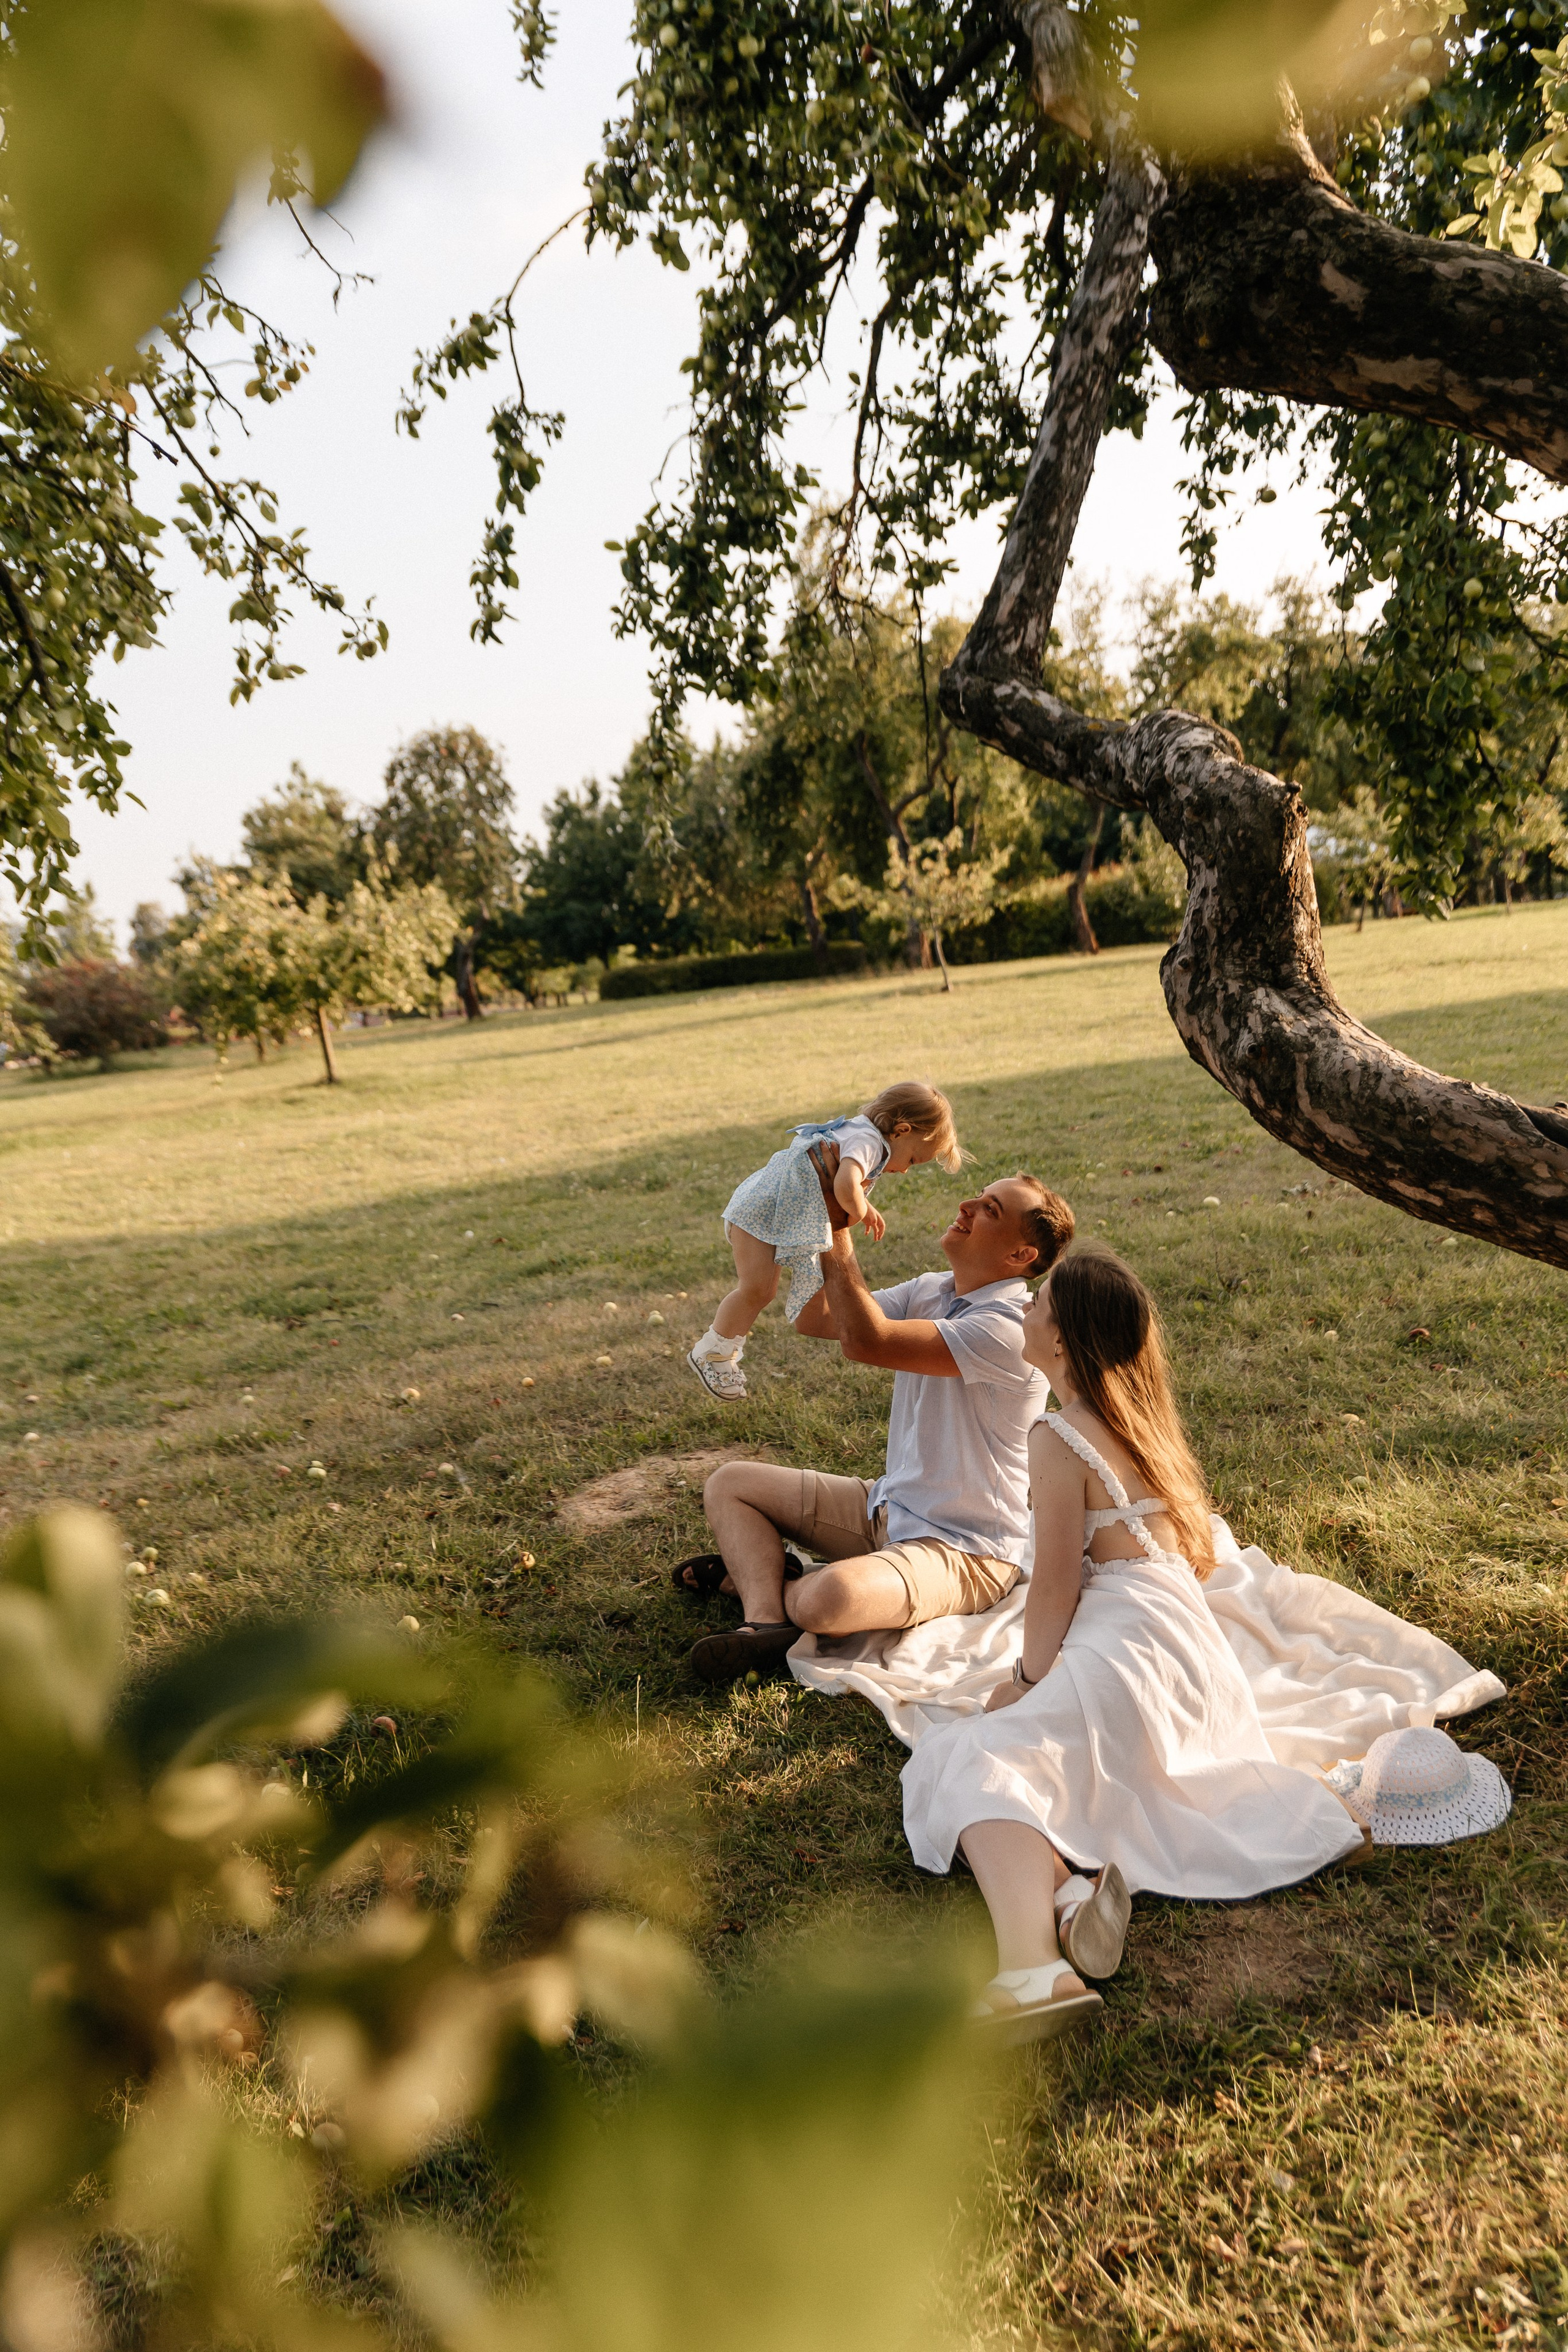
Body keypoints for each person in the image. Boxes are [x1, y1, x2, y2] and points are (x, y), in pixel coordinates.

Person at [899, 1247, 1368, 2044]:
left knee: (968, 1757)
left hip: (1124, 1649)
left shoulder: (1058, 1437)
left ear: (1065, 1337)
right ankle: (1070, 1891)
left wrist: (1024, 1677)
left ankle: (1031, 1967)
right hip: (1187, 1650)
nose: (1026, 1310)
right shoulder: (1137, 1423)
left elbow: (1055, 1586)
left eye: (1039, 1302)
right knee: (997, 1754)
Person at [673, 1161, 1077, 1682]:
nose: (967, 1207)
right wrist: (813, 1221)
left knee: (828, 1599)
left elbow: (869, 1342)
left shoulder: (1008, 1331)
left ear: (1021, 1256)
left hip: (965, 1551)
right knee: (731, 1483)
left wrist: (840, 1226)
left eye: (989, 1210)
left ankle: (763, 1580)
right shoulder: (934, 1290)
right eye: (978, 1196)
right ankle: (767, 1621)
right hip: (888, 1508)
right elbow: (816, 1318)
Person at [686, 1080, 965, 1402]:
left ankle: (723, 1349)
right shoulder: (870, 1142)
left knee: (763, 1289)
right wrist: (860, 1213)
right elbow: (846, 1184)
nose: (904, 1171)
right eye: (914, 1160)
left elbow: (841, 1180)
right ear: (901, 1131)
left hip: (769, 1210)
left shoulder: (861, 1133)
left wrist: (864, 1202)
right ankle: (714, 1350)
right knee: (757, 1289)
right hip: (760, 1214)